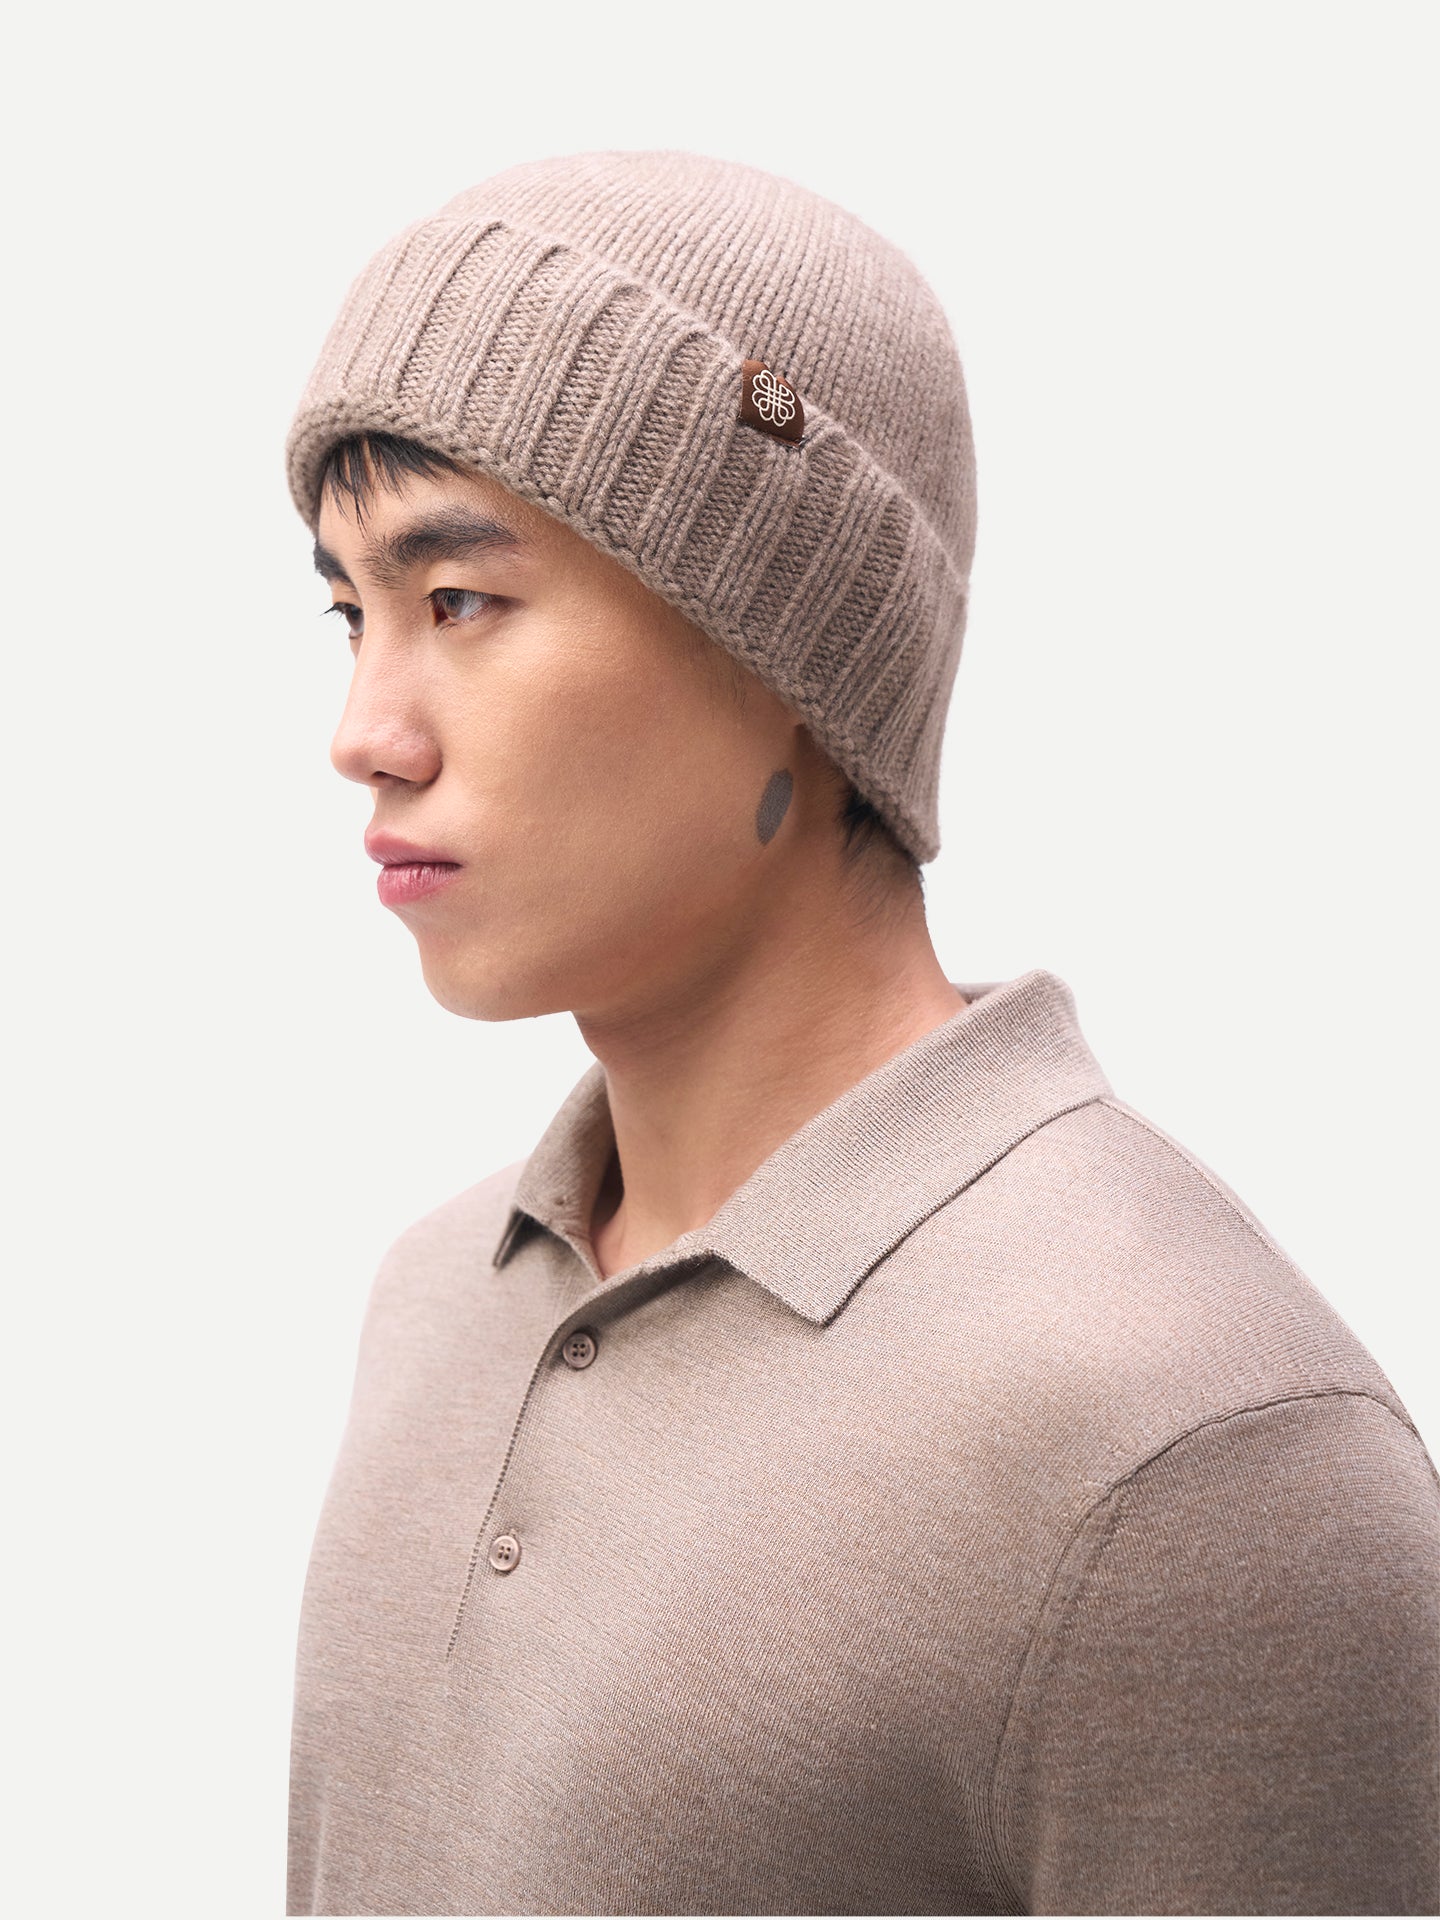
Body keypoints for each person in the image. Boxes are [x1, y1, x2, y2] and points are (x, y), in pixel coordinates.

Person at [282, 150, 1439, 1917]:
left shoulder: (1197, 1447)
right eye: (348, 613)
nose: (367, 730)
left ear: (791, 647)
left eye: (460, 604)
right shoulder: (439, 1296)